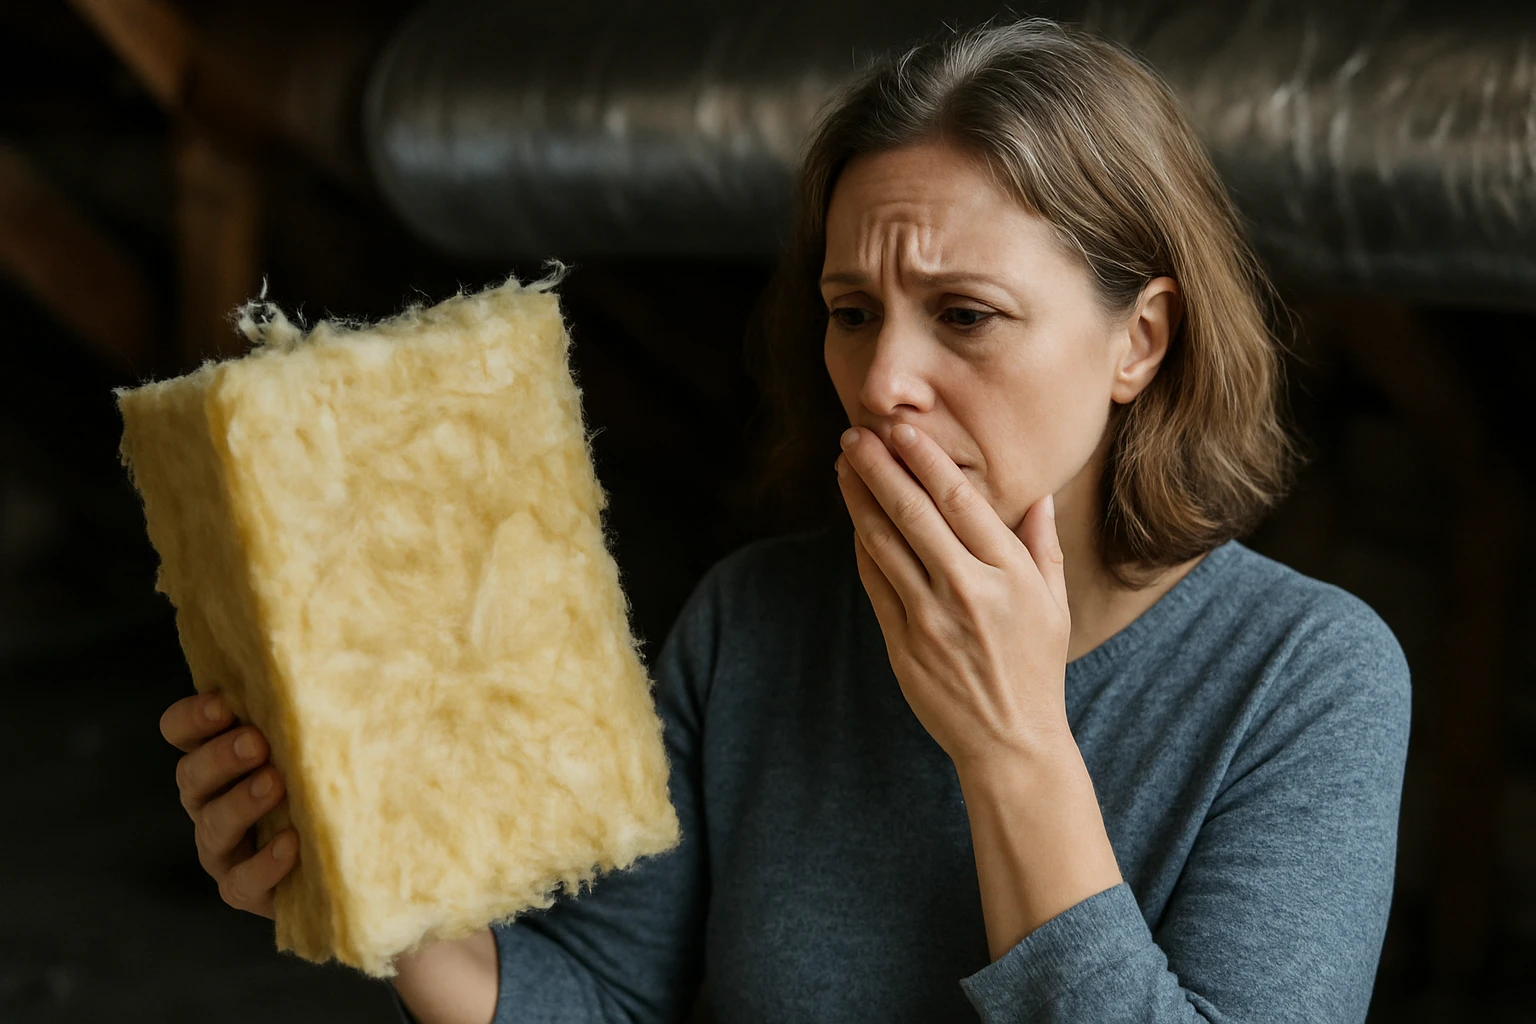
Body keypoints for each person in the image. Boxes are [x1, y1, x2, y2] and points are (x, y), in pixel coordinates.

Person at [158, 18, 1410, 1024]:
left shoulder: (1309, 677)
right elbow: (605, 998)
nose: (881, 383)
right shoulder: (753, 619)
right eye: (852, 310)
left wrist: (1011, 746)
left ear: (1140, 340)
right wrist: (385, 890)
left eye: (965, 314)